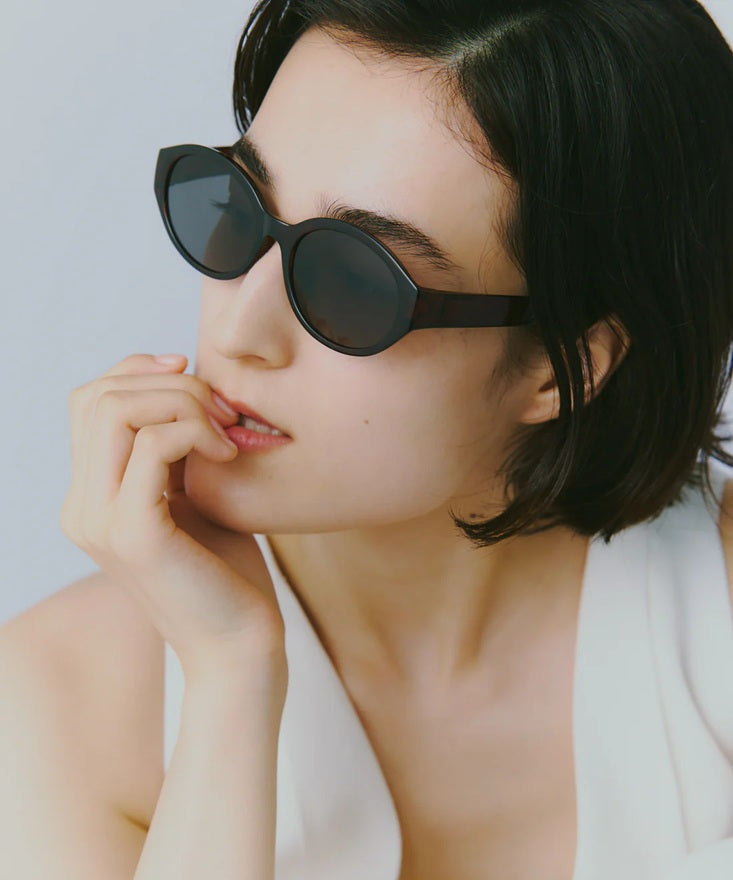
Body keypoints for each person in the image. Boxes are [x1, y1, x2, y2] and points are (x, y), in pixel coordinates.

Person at [2, 0, 733, 877]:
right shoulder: (59, 694)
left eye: (354, 281)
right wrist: (230, 679)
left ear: (558, 366)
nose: (239, 330)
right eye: (236, 209)